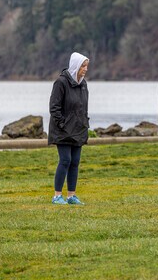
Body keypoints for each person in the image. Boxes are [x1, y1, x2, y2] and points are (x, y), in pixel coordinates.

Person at [48, 52, 90, 205]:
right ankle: (57, 196)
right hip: (63, 130)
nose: (85, 69)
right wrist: (62, 124)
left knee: (75, 162)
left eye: (86, 66)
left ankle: (71, 196)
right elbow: (54, 108)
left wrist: (84, 123)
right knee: (65, 160)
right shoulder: (61, 83)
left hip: (78, 129)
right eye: (82, 66)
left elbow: (83, 108)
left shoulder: (83, 84)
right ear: (75, 66)